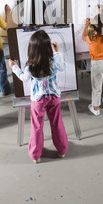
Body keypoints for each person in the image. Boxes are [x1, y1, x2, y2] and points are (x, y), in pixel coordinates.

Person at [9, 30, 68, 163]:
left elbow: (23, 78)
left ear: (32, 49)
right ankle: (62, 151)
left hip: (38, 100)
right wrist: (57, 52)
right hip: (54, 98)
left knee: (37, 127)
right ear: (48, 48)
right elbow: (63, 67)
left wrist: (14, 67)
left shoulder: (30, 66)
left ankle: (36, 155)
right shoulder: (54, 60)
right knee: (57, 124)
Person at [82, 13, 103, 116]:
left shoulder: (93, 37)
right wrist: (101, 12)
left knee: (97, 86)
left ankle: (96, 108)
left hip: (97, 64)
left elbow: (83, 36)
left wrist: (86, 25)